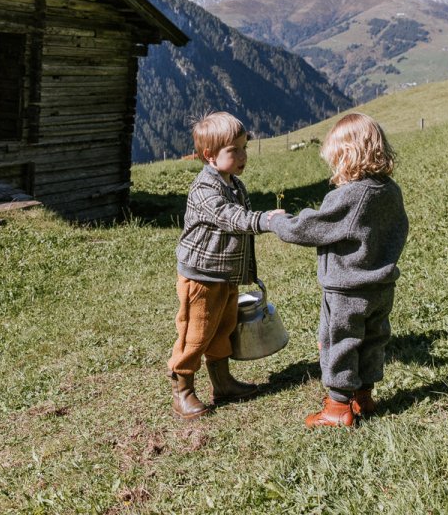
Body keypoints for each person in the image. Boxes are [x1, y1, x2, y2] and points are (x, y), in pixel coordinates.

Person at [269, 113, 408, 427]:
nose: (335, 169)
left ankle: (337, 408)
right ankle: (364, 398)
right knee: (373, 340)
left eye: (336, 161)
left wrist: (277, 221)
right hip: (381, 286)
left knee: (339, 342)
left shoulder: (351, 196)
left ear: (348, 157)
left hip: (347, 289)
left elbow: (313, 228)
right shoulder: (389, 190)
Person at [167, 111, 282, 419]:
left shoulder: (234, 183)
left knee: (223, 328)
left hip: (224, 274)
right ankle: (182, 390)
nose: (243, 156)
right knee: (196, 332)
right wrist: (264, 220)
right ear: (209, 156)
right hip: (201, 277)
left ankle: (223, 382)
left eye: (244, 147)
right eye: (234, 151)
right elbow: (229, 218)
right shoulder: (205, 189)